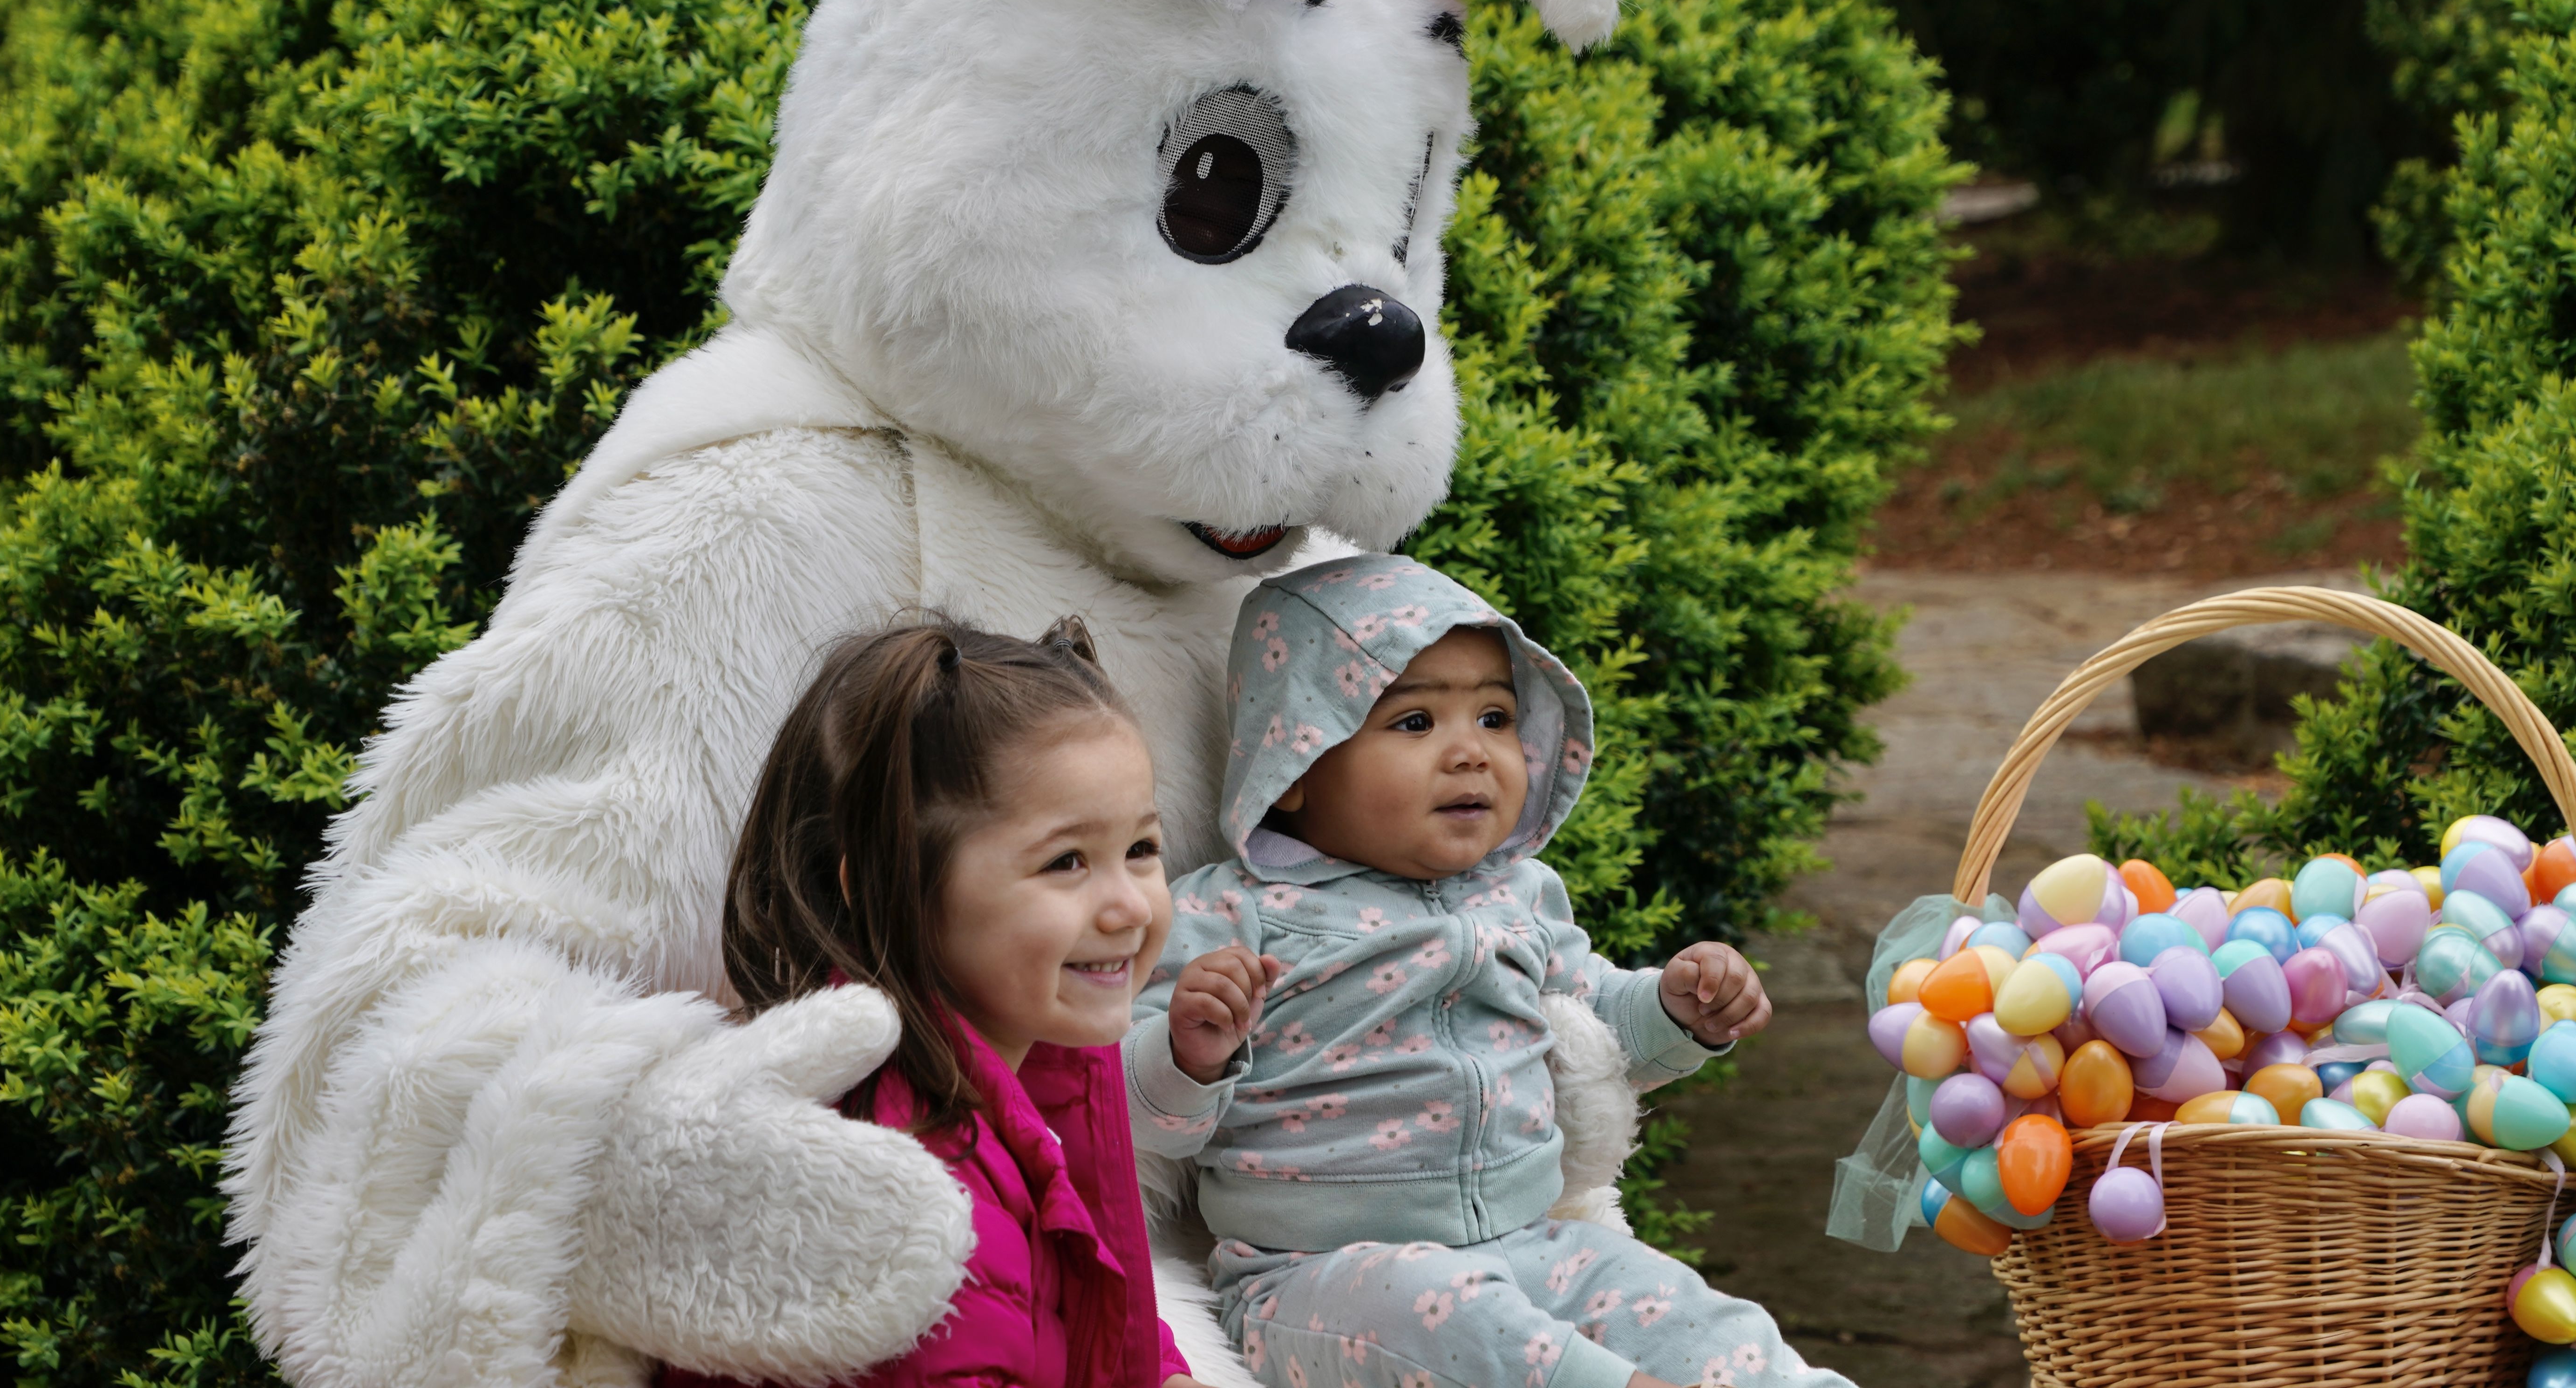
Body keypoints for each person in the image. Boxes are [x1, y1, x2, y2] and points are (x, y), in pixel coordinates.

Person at [1128, 556, 1855, 1388]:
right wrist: (1188, 1052)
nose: (1470, 753)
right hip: (1321, 1280)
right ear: (1294, 765)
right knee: (1447, 1309)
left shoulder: (1521, 895)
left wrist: (1677, 1008)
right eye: (1413, 723)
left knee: (1701, 1319)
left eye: (1496, 716)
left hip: (1536, 1244)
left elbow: (1597, 1033)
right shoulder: (1233, 914)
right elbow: (1127, 1117)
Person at [665, 617, 1209, 1388]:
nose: (1128, 907)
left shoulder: (1030, 1059)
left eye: (1142, 850)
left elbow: (1079, 1304)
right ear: (890, 888)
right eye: (1066, 862)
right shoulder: (905, 1190)